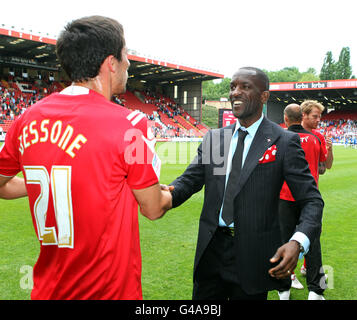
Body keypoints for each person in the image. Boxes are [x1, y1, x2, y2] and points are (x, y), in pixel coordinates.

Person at [0, 15, 172, 300]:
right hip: (109, 292)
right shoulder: (132, 124)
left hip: (48, 291)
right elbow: (153, 208)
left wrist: (50, 185)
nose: (129, 63)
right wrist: (172, 194)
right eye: (126, 53)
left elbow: (3, 185)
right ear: (111, 63)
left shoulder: (25, 120)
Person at [167, 67, 324, 300]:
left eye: (245, 87)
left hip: (254, 255)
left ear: (264, 96)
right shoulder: (216, 138)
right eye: (232, 87)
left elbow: (311, 200)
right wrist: (167, 194)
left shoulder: (284, 141)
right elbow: (189, 180)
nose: (235, 93)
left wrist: (297, 241)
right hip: (211, 252)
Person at [277, 104, 327, 300]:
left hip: (285, 197)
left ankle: (284, 290)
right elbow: (323, 167)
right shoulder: (316, 138)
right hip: (309, 197)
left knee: (284, 241)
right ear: (302, 117)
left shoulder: (279, 138)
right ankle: (316, 291)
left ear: (286, 119)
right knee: (312, 243)